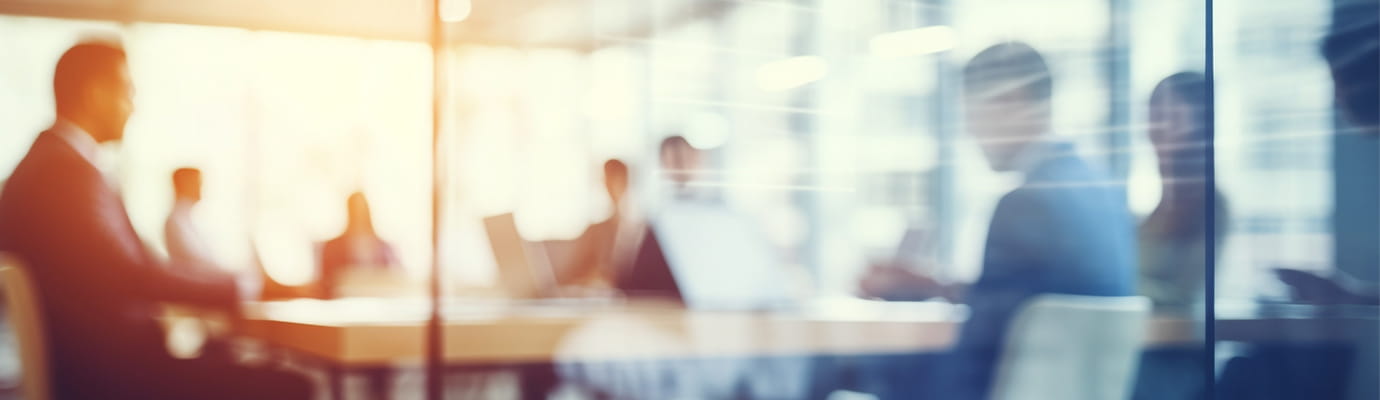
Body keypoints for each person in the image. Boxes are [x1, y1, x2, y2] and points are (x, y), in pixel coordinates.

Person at [0, 40, 310, 400]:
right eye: (127, 91)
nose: (133, 106)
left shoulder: (43, 164)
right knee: (292, 386)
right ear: (97, 94)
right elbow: (130, 273)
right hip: (111, 377)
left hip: (95, 366)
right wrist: (237, 287)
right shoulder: (65, 172)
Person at [855, 42, 1136, 399]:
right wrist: (931, 285)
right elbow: (1021, 302)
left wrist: (870, 372)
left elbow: (978, 351)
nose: (971, 132)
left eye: (971, 113)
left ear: (1011, 101)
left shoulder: (1024, 203)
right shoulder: (1103, 191)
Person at [1140, 72, 1228, 313]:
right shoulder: (1158, 209)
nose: (1155, 130)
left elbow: (1188, 298)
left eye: (1169, 118)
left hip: (1180, 342)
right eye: (1152, 116)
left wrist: (1123, 287)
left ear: (1198, 126)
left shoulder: (1210, 207)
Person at [319, 191, 400, 299]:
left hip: (379, 301)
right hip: (343, 303)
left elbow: (396, 278)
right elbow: (326, 282)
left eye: (362, 207)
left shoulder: (385, 247)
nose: (358, 212)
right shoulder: (332, 247)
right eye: (354, 208)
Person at [163, 167, 220, 271]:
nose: (201, 188)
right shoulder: (175, 222)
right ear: (185, 184)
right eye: (198, 183)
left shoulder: (187, 219)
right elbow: (196, 260)